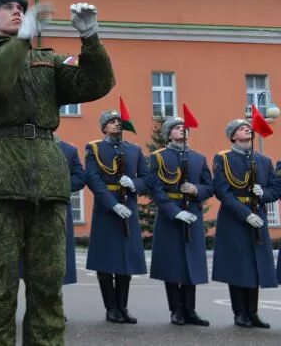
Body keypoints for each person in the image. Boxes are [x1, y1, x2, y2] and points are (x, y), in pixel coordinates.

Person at [0, 0, 115, 345]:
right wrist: (22, 41)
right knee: (1, 291)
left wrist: (90, 38)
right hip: (1, 179)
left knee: (48, 286)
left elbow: (97, 83)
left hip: (46, 179)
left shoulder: (47, 60)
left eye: (20, 7)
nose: (17, 11)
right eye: (7, 7)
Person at [212, 119, 279, 328]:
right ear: (233, 136)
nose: (246, 130)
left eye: (248, 128)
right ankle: (239, 313)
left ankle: (253, 312)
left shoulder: (264, 161)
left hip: (257, 215)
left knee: (255, 266)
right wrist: (245, 214)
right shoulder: (223, 159)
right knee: (237, 267)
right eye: (241, 129)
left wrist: (264, 193)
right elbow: (223, 191)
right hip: (235, 218)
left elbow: (275, 190)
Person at [145, 117, 212, 326]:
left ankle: (190, 310)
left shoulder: (198, 158)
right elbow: (154, 188)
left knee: (191, 264)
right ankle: (176, 309)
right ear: (168, 134)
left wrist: (196, 190)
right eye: (176, 127)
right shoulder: (158, 158)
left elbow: (209, 186)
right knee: (172, 264)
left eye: (184, 128)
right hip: (169, 216)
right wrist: (174, 212)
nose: (182, 130)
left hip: (192, 213)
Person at [85, 110, 147, 324]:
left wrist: (134, 184)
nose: (116, 125)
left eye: (119, 122)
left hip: (128, 207)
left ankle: (123, 306)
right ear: (104, 127)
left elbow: (146, 179)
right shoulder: (94, 148)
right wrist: (112, 205)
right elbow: (93, 180)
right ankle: (111, 308)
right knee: (105, 262)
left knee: (125, 262)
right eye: (111, 122)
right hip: (105, 210)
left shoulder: (134, 150)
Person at [56, 138, 85, 288]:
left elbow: (80, 177)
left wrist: (59, 186)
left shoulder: (68, 150)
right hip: (34, 209)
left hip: (60, 208)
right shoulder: (28, 145)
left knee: (59, 258)